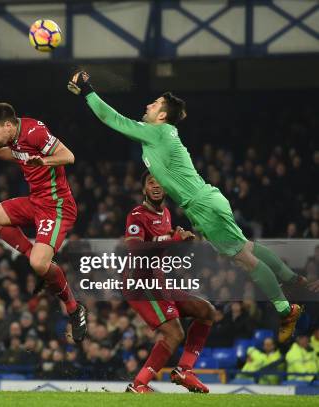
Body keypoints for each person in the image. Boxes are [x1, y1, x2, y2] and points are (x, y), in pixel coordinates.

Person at [68, 72, 314, 343]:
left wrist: (87, 90)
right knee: (246, 247)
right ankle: (292, 280)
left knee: (245, 259)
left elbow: (112, 118)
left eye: (154, 104)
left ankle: (285, 309)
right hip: (206, 201)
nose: (148, 106)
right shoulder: (161, 134)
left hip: (203, 205)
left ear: (162, 115)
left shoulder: (157, 133)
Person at [0, 103, 87, 342]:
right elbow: (18, 155)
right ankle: (38, 260)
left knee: (40, 264)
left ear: (8, 125)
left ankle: (73, 308)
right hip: (36, 201)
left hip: (56, 207)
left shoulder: (34, 131)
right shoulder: (14, 138)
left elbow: (68, 156)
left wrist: (44, 162)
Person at [123, 171, 215, 393]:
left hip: (158, 282)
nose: (156, 186)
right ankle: (139, 385)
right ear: (144, 189)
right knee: (175, 334)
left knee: (207, 311)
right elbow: (135, 248)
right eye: (150, 183)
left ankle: (185, 371)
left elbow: (163, 244)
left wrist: (179, 238)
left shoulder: (165, 214)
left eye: (160, 182)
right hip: (140, 285)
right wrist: (173, 240)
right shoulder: (136, 215)